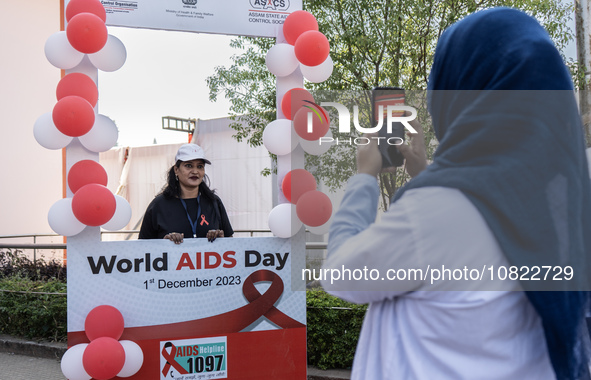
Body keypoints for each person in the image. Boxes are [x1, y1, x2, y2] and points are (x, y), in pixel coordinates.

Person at [322, 7, 591, 380]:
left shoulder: (433, 211)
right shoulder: (566, 204)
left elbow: (340, 274)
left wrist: (364, 177)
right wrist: (427, 173)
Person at [139, 143, 233, 243]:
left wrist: (222, 239)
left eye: (200, 166)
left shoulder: (214, 202)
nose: (195, 171)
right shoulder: (158, 205)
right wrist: (164, 243)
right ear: (176, 170)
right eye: (189, 166)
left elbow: (230, 243)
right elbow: (143, 247)